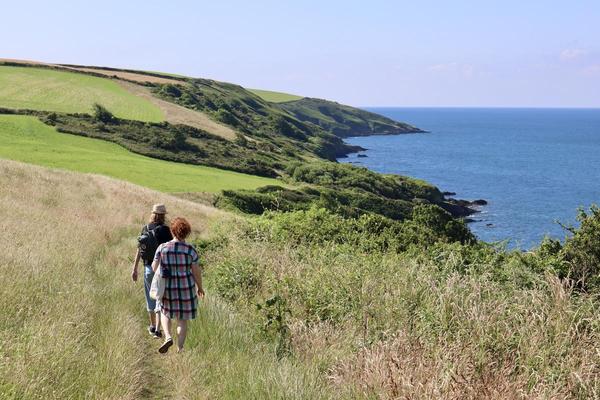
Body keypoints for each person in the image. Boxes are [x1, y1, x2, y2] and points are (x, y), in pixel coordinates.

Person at [153, 217, 205, 353]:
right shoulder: (190, 250)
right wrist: (200, 287)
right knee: (182, 320)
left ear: (172, 231)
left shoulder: (162, 248)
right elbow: (196, 271)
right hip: (186, 287)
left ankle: (168, 337)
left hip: (168, 286)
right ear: (186, 233)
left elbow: (154, 267)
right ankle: (180, 348)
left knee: (165, 312)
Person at [131, 204, 173, 338]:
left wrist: (135, 268)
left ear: (153, 214)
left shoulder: (145, 228)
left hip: (148, 268)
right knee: (162, 298)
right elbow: (170, 249)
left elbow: (139, 249)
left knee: (151, 297)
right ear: (163, 215)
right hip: (163, 269)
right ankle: (161, 329)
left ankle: (153, 327)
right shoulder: (166, 230)